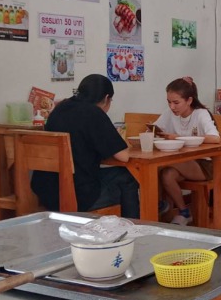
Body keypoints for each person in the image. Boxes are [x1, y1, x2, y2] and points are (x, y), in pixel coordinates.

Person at [31, 74, 140, 218]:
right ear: (107, 98)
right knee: (127, 178)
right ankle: (131, 229)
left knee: (115, 177)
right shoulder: (94, 113)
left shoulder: (60, 107)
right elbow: (124, 156)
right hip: (77, 196)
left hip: (45, 192)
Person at [152, 77, 220, 226]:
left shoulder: (201, 113)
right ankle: (184, 212)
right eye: (169, 102)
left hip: (205, 165)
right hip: (181, 162)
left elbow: (215, 138)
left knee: (163, 163)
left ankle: (159, 204)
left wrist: (179, 137)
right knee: (167, 174)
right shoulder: (170, 113)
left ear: (189, 100)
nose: (172, 106)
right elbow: (154, 128)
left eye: (176, 102)